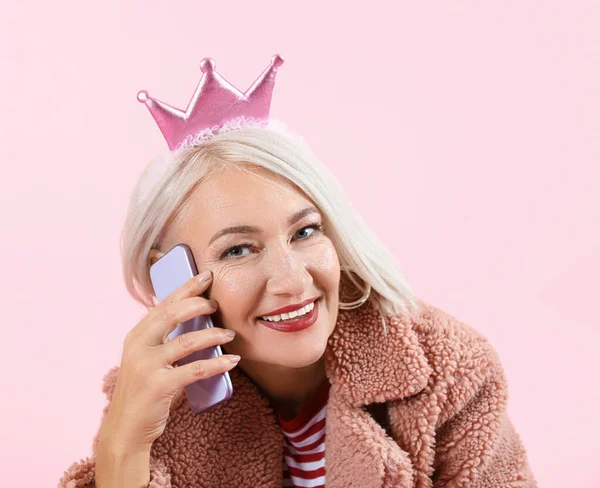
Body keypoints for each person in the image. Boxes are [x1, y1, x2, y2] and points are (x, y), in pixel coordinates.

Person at [58, 54, 537, 488]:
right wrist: (122, 448)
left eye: (305, 232)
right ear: (173, 277)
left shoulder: (446, 370)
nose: (292, 281)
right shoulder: (159, 401)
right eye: (238, 250)